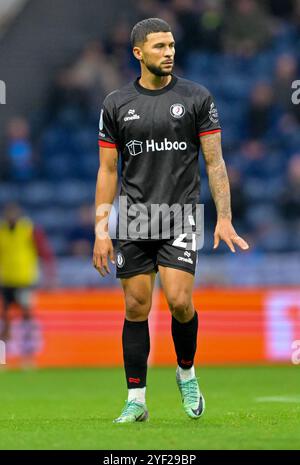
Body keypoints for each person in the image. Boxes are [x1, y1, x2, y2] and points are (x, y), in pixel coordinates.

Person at [93, 18, 249, 423]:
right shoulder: (116, 104)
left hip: (180, 214)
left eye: (172, 45)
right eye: (160, 46)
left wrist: (225, 218)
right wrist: (101, 229)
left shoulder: (197, 98)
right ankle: (137, 401)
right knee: (135, 307)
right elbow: (108, 171)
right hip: (134, 216)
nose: (169, 52)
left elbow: (215, 162)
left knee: (180, 302)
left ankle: (186, 372)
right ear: (138, 53)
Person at [0, 202, 55, 364]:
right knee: (4, 320)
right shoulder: (2, 231)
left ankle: (28, 357)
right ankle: (3, 358)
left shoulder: (28, 229)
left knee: (27, 318)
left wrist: (49, 275)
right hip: (6, 280)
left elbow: (43, 251)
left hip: (25, 280)